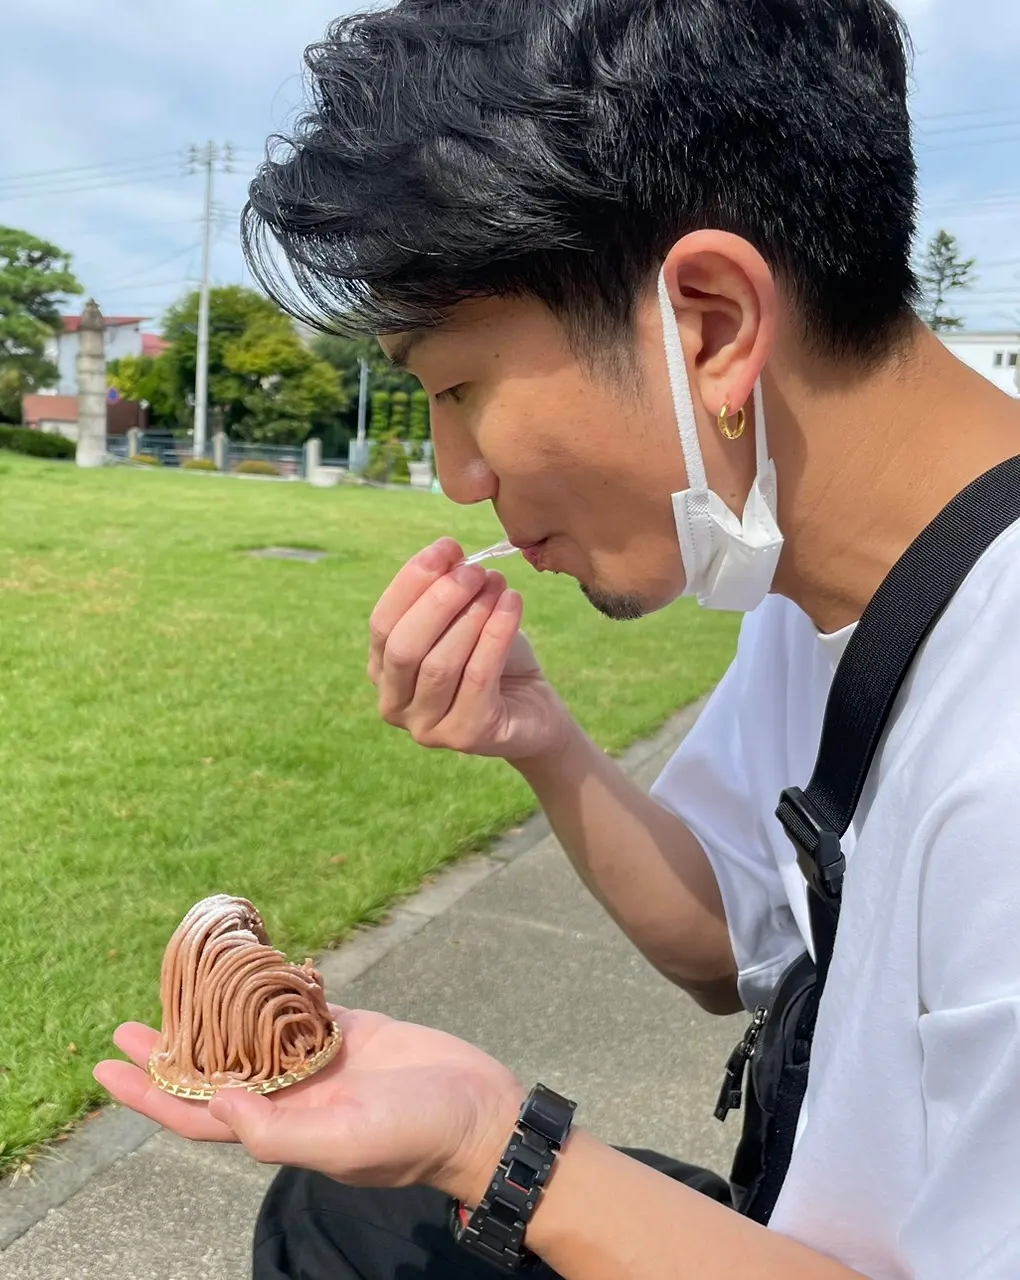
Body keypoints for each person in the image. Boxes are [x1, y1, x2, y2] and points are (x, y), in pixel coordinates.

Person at [95, 1, 1020, 1275]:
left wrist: (492, 1144)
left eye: (455, 387)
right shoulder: (815, 579)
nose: (456, 476)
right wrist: (537, 734)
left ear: (708, 325)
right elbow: (727, 941)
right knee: (341, 1213)